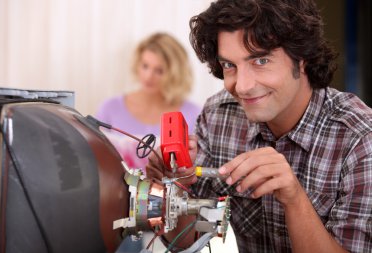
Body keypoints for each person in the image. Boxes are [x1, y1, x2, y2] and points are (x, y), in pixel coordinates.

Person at [146, 0, 372, 252]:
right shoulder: (218, 116)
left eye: (260, 61)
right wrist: (176, 184)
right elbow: (185, 239)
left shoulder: (360, 140)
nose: (241, 86)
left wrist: (294, 199)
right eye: (230, 65)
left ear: (302, 58)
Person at [96, 32, 201, 173]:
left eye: (159, 70)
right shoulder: (109, 108)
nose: (148, 76)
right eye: (145, 66)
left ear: (175, 73)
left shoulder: (193, 114)